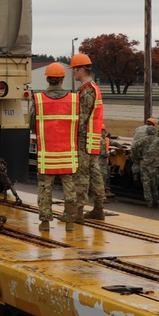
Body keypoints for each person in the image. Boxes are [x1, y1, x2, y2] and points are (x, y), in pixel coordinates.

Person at [29, 63, 79, 231]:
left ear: (47, 79)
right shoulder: (74, 99)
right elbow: (80, 124)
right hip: (68, 154)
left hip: (46, 154)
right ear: (63, 79)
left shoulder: (38, 100)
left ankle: (44, 222)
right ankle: (70, 223)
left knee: (45, 189)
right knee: (70, 189)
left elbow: (31, 124)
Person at [70, 53, 107, 222]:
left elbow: (81, 117)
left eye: (74, 70)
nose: (73, 73)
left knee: (82, 174)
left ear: (81, 70)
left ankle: (78, 212)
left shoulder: (86, 91)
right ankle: (99, 209)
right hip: (94, 136)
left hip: (85, 138)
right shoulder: (95, 87)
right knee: (95, 172)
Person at [137, 125, 159, 207]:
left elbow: (134, 147)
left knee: (146, 183)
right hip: (154, 165)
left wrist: (138, 155)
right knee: (154, 182)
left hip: (144, 164)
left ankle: (149, 200)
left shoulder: (142, 140)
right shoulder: (158, 140)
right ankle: (155, 199)